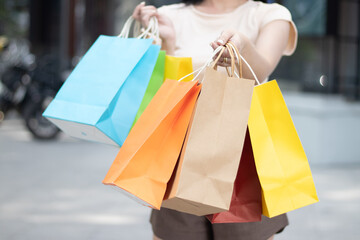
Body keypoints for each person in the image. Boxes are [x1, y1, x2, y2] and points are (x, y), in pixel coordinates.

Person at [132, 0, 298, 239]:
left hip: (243, 152)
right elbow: (162, 87)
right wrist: (164, 39)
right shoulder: (169, 15)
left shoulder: (270, 15)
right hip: (179, 151)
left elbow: (259, 73)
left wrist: (241, 45)